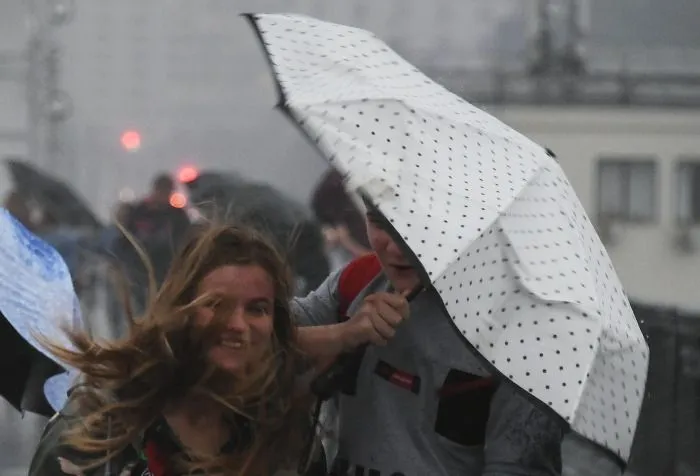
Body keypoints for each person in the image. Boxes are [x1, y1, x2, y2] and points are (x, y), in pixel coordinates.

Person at [295, 202, 565, 476]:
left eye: (417, 224)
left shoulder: (520, 336)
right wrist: (341, 334)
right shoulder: (356, 282)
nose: (396, 247)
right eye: (380, 222)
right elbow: (261, 343)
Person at [28, 224, 313, 475]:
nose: (238, 324)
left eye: (257, 309)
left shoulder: (286, 437)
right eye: (216, 304)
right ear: (182, 311)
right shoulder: (97, 428)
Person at [114, 173, 191, 314]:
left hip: (165, 272)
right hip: (138, 270)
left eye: (167, 191)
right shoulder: (139, 211)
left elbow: (185, 242)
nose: (163, 195)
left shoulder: (177, 216)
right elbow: (125, 239)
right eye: (161, 191)